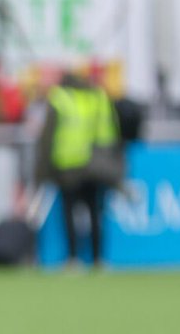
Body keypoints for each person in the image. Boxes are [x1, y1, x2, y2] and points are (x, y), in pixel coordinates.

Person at [34, 69, 124, 267]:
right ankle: (98, 259)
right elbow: (112, 132)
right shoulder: (98, 96)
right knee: (95, 212)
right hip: (95, 165)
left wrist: (41, 171)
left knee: (69, 214)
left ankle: (73, 258)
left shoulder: (60, 98)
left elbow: (47, 137)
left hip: (68, 165)